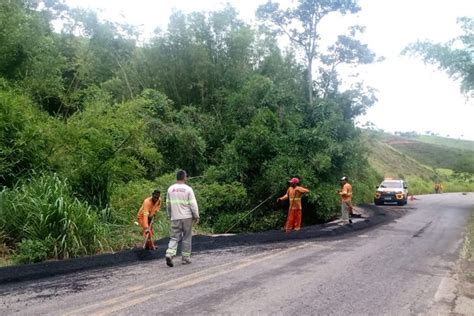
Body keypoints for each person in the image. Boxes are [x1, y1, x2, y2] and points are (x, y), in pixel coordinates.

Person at [165, 170, 200, 267]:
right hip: (187, 217)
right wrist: (196, 215)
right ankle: (185, 258)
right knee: (186, 237)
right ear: (185, 178)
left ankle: (169, 254)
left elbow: (168, 204)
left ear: (177, 177)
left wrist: (169, 214)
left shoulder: (170, 189)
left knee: (174, 237)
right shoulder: (188, 189)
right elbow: (193, 204)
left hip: (175, 217)